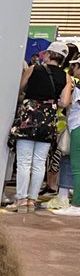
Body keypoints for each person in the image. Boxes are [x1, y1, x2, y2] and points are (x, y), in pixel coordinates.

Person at [10, 39, 72, 213]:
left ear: (50, 54)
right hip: (49, 121)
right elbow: (65, 102)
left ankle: (21, 199)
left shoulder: (34, 69)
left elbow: (19, 89)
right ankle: (32, 199)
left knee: (24, 161)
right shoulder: (65, 76)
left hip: (29, 119)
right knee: (39, 162)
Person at [52, 54, 80, 216]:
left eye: (76, 66)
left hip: (78, 127)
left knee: (77, 168)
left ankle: (77, 205)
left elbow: (66, 103)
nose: (73, 69)